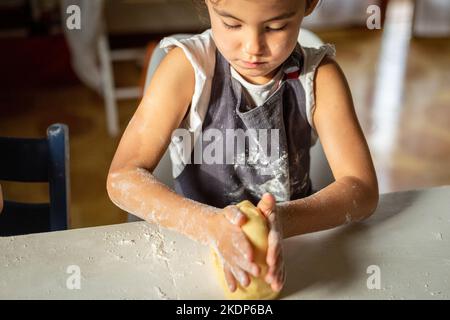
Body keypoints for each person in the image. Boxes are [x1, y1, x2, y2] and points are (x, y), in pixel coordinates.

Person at [107, 0, 379, 294]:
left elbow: (362, 190)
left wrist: (281, 222)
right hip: (192, 249)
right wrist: (210, 225)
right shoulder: (189, 70)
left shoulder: (319, 78)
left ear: (309, 4)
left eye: (276, 26)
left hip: (291, 248)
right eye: (232, 24)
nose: (253, 47)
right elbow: (122, 177)